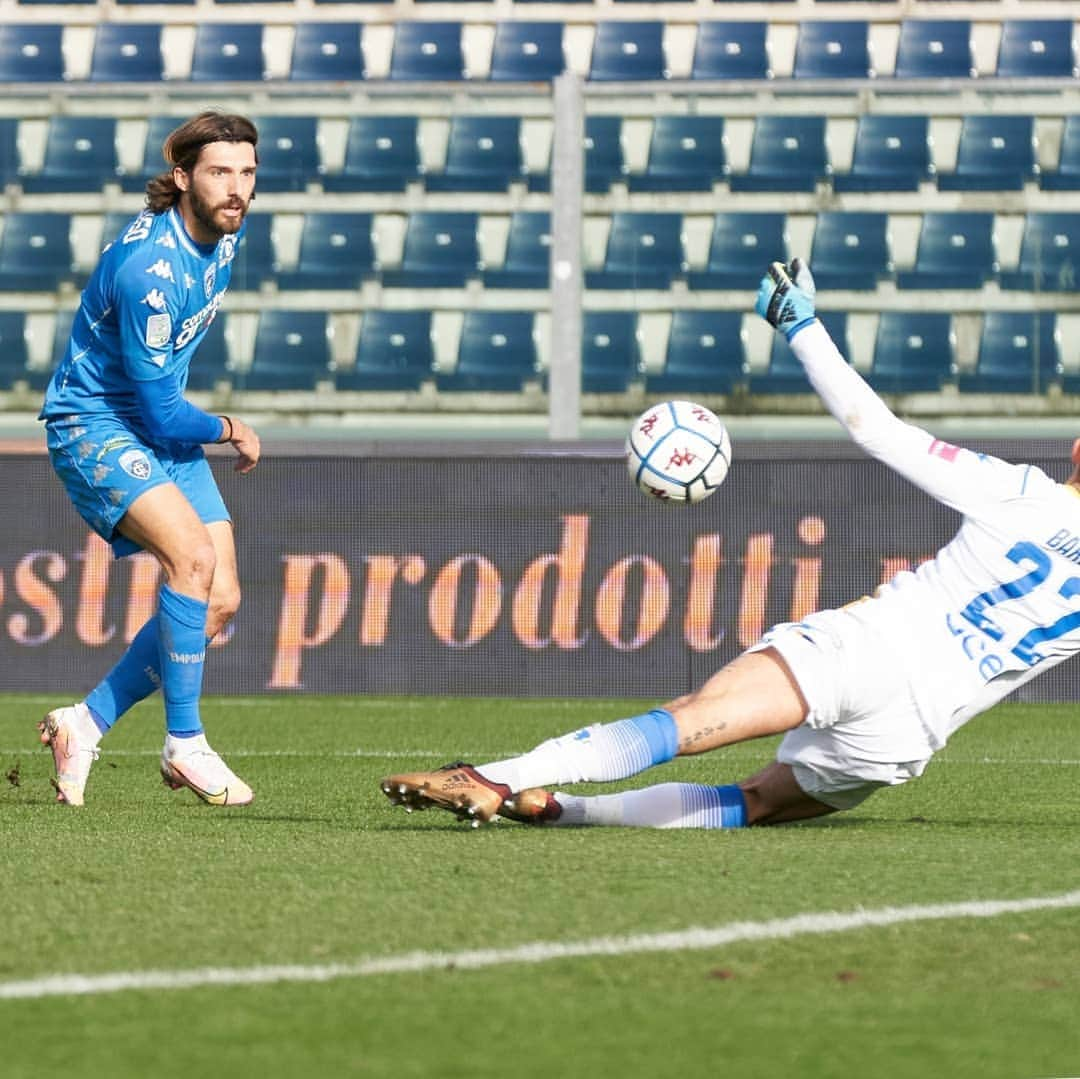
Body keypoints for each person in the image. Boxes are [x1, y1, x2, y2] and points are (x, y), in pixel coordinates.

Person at [381, 257, 1080, 829]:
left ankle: (498, 775)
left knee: (683, 722)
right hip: (906, 735)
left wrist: (801, 326)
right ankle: (562, 810)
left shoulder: (1024, 492)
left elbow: (879, 431)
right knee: (753, 802)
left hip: (867, 653)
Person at [37, 111, 262, 807]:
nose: (237, 189)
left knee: (219, 598)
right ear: (181, 177)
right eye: (220, 172)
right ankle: (184, 743)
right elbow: (165, 413)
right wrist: (227, 425)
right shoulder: (148, 271)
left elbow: (162, 408)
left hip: (151, 422)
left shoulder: (225, 234)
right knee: (190, 561)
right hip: (95, 422)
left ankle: (85, 721)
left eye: (248, 173)